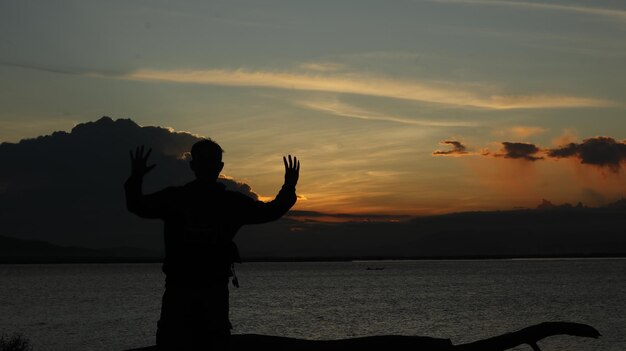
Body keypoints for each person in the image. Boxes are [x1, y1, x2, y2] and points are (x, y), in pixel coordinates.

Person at [125, 140, 300, 350]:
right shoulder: (229, 203)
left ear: (194, 166)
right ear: (219, 167)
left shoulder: (176, 199)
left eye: (209, 161)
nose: (208, 166)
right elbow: (270, 211)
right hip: (202, 293)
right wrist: (289, 186)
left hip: (186, 293)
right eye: (206, 161)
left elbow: (137, 205)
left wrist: (136, 177)